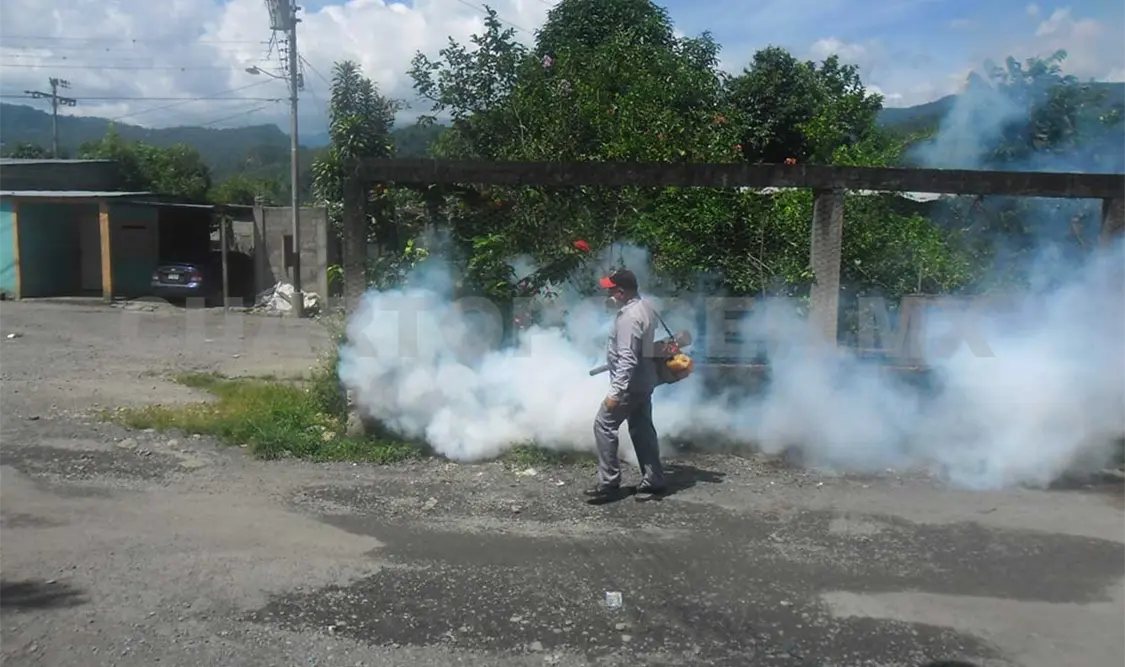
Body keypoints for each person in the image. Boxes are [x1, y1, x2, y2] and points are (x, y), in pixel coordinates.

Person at [586, 269, 667, 500]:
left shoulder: (629, 318)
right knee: (642, 430)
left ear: (620, 292)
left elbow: (628, 358)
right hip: (644, 381)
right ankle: (654, 479)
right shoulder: (646, 307)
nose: (608, 294)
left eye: (610, 290)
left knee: (603, 424)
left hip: (629, 385)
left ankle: (609, 483)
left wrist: (616, 391)